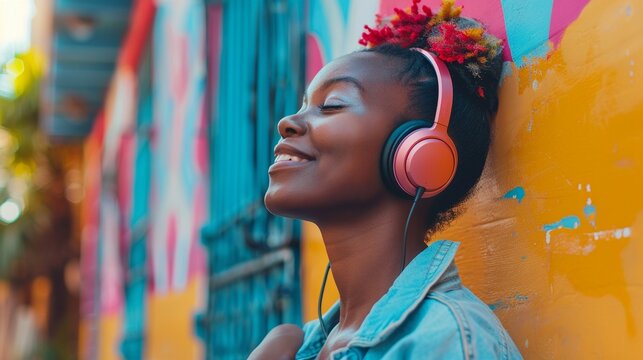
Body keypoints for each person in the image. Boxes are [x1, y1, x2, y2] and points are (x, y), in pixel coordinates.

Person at [254, 0, 523, 358]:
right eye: (304, 104)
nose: (287, 122)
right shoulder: (301, 345)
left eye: (332, 105)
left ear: (420, 156)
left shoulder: (442, 341)